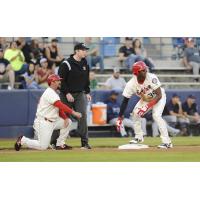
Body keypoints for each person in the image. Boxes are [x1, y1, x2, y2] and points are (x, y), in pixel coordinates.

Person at [14, 74, 82, 151]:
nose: (60, 82)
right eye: (58, 80)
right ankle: (23, 140)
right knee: (43, 146)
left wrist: (65, 118)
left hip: (53, 121)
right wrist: (74, 112)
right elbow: (60, 105)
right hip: (43, 122)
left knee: (68, 122)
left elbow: (58, 108)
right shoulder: (49, 92)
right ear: (52, 82)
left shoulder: (53, 92)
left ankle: (60, 144)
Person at [116, 61, 173, 149]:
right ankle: (139, 137)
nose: (145, 71)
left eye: (145, 69)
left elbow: (159, 95)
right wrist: (119, 117)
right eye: (143, 70)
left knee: (156, 116)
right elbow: (125, 101)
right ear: (136, 73)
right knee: (135, 113)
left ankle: (167, 142)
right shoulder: (131, 84)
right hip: (146, 99)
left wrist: (147, 106)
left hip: (158, 97)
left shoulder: (151, 77)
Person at [58, 42, 92, 149]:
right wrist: (67, 92)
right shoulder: (66, 63)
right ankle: (56, 142)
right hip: (65, 94)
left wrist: (87, 92)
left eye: (86, 50)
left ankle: (84, 142)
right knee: (63, 118)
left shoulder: (85, 63)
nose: (85, 52)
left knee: (82, 115)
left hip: (79, 94)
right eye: (83, 50)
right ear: (76, 51)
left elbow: (86, 79)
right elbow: (61, 81)